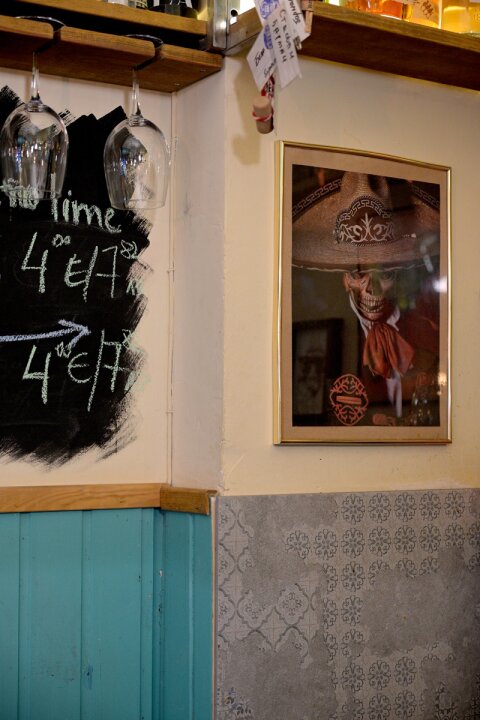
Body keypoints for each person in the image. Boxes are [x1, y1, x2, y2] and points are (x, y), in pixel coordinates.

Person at [292, 171, 441, 426]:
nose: (372, 288)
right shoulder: (348, 338)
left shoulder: (425, 329)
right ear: (346, 281)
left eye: (385, 274)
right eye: (359, 275)